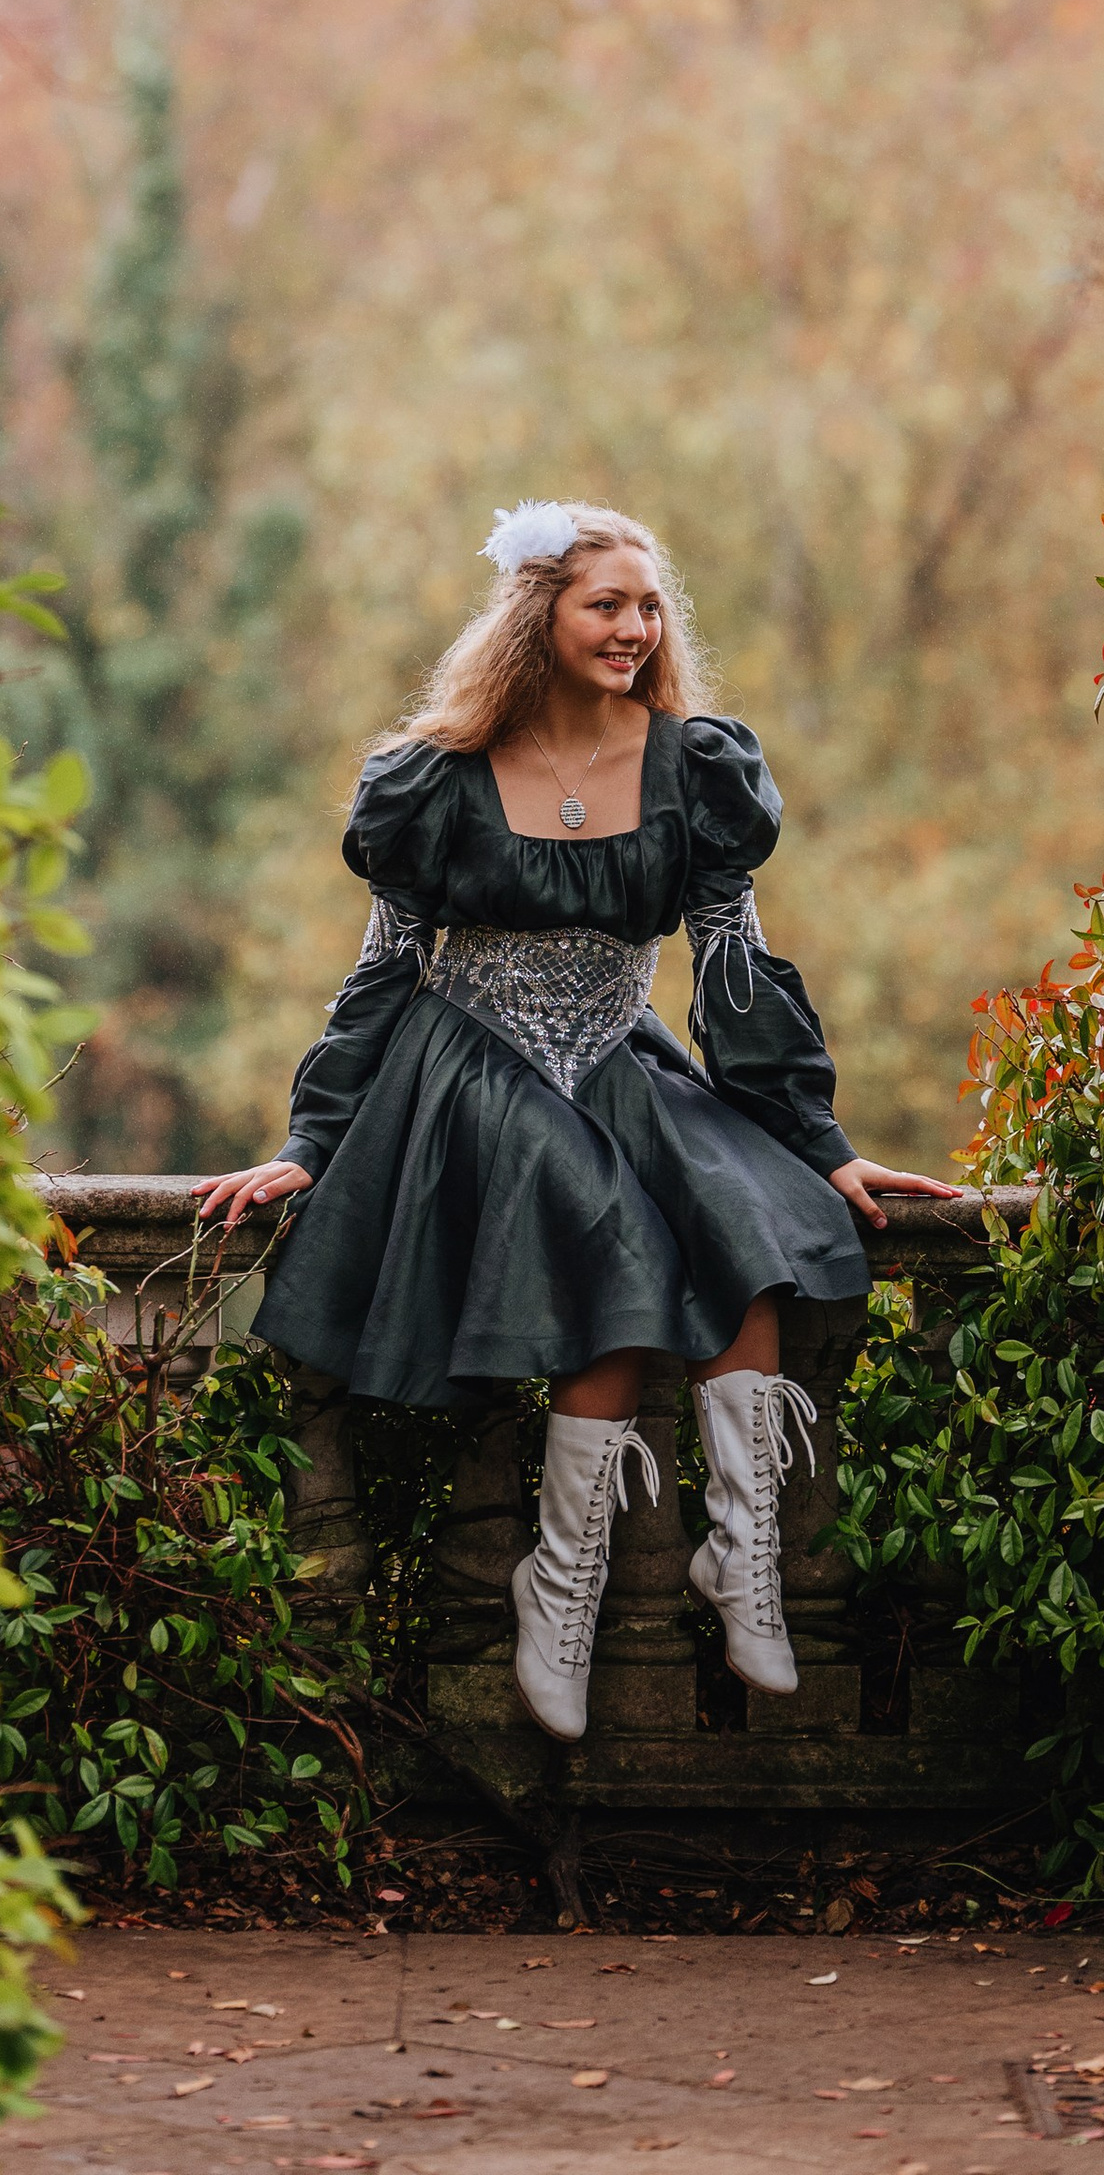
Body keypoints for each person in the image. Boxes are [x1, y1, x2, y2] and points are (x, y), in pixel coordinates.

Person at [197, 498, 956, 1742]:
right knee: (606, 1244)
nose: (635, 627)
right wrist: (306, 1146)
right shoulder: (433, 781)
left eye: (649, 606)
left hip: (615, 1052)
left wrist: (818, 1142)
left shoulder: (695, 767)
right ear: (535, 614)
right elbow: (383, 972)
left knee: (745, 1226)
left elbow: (731, 967)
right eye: (607, 603)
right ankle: (558, 1588)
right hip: (470, 1063)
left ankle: (739, 1557)